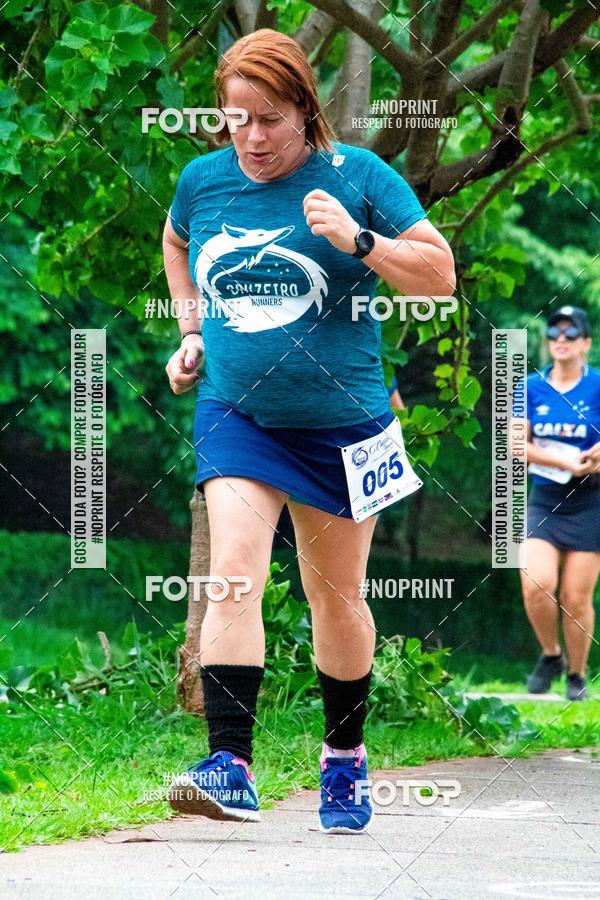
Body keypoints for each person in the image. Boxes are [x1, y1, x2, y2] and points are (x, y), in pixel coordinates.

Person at [162, 28, 455, 832]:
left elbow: (439, 276)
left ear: (305, 110)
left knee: (337, 597)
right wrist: (191, 330)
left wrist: (361, 240)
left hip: (343, 426)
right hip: (239, 415)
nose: (252, 139)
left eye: (270, 120)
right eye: (237, 120)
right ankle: (230, 765)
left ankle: (344, 757)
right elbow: (177, 241)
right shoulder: (202, 181)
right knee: (232, 572)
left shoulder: (358, 176)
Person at [513, 306, 600, 702]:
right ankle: (551, 655)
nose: (561, 340)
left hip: (590, 500)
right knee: (536, 584)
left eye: (571, 333)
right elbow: (517, 444)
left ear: (586, 343)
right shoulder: (530, 387)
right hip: (546, 499)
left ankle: (577, 675)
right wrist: (565, 462)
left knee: (576, 597)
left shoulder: (596, 385)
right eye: (554, 333)